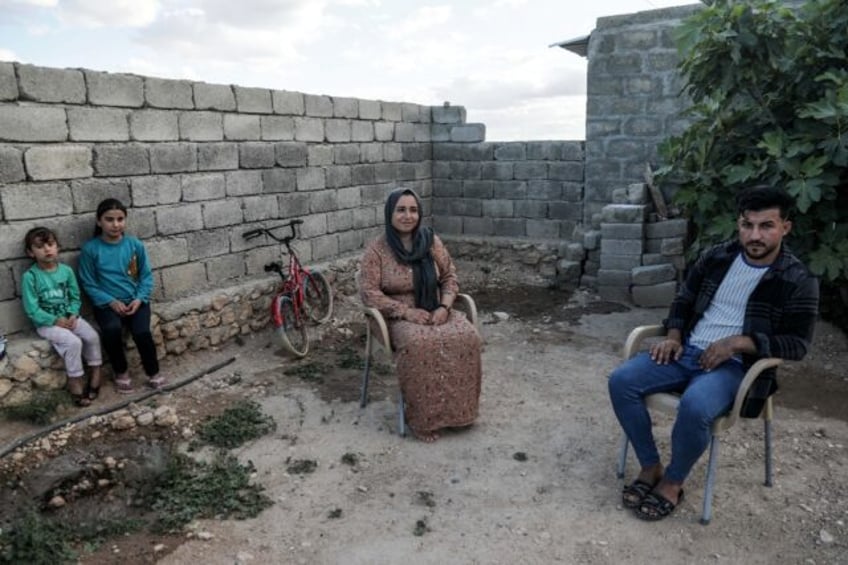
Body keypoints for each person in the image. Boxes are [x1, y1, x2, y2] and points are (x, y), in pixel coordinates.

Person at [608, 185, 819, 521]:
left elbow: (797, 345)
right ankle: (651, 466)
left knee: (695, 405)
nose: (755, 235)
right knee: (621, 381)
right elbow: (683, 301)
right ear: (739, 224)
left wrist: (737, 343)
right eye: (747, 225)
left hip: (736, 366)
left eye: (766, 226)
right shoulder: (717, 257)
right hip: (688, 350)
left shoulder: (797, 279)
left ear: (785, 228)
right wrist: (674, 335)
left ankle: (673, 483)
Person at [359, 187, 482, 442]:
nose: (408, 216)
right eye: (401, 210)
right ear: (390, 213)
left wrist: (444, 307)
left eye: (413, 210)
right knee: (420, 344)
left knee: (467, 336)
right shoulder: (376, 251)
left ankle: (459, 412)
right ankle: (423, 420)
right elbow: (369, 292)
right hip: (396, 315)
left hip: (435, 306)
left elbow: (449, 277)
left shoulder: (431, 241)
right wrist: (406, 312)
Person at [78, 198, 165, 394]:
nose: (116, 224)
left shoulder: (134, 245)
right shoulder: (91, 249)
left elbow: (146, 276)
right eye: (109, 219)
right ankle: (121, 372)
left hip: (135, 301)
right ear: (99, 221)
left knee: (142, 332)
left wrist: (139, 298)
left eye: (120, 219)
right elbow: (88, 283)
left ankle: (153, 373)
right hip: (106, 304)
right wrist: (110, 301)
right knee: (111, 329)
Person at [21, 227, 103, 406]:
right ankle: (76, 382)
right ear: (30, 252)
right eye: (40, 247)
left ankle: (96, 372)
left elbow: (75, 297)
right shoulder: (31, 277)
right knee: (73, 342)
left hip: (69, 318)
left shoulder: (66, 271)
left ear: (58, 247)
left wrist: (73, 313)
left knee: (92, 336)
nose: (47, 249)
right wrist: (54, 320)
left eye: (51, 245)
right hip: (47, 323)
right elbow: (31, 309)